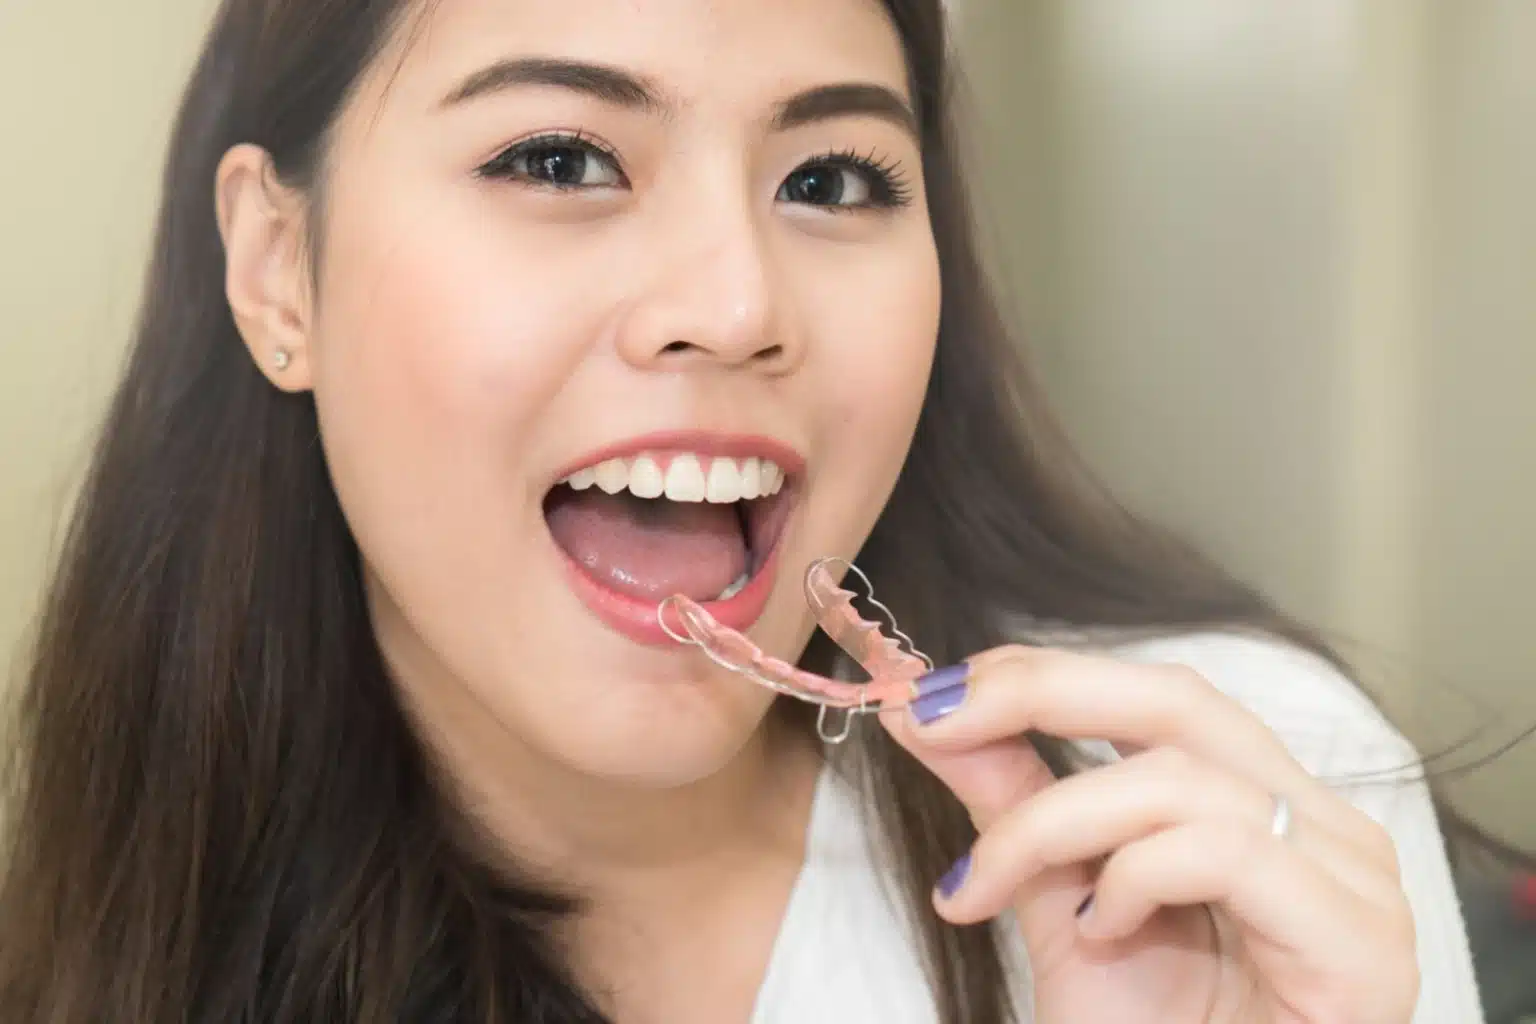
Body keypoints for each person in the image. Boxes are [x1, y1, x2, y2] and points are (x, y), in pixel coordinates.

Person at [0, 0, 1489, 1021]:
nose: (734, 304)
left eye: (835, 178)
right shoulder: (93, 957)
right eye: (559, 158)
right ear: (278, 267)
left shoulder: (1252, 814)